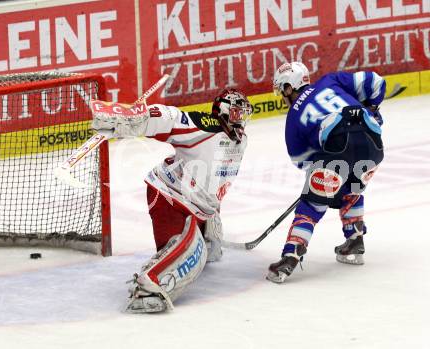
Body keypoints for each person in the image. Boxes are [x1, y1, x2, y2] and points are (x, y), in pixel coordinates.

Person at [92, 89, 252, 312]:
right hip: (169, 198)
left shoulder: (240, 141)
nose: (241, 121)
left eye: (244, 115)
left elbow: (215, 181)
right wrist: (129, 119)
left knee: (206, 243)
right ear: (222, 112)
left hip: (197, 203)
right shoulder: (203, 125)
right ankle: (150, 285)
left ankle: (204, 228)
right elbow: (169, 118)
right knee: (182, 254)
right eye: (236, 114)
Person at [267, 62, 385, 283]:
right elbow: (376, 82)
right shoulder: (331, 80)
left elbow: (301, 160)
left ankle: (290, 257)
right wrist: (373, 108)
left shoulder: (293, 117)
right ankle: (355, 241)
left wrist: (320, 186)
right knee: (352, 188)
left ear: (288, 87)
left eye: (282, 90)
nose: (282, 96)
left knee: (313, 203)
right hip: (374, 144)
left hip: (338, 143)